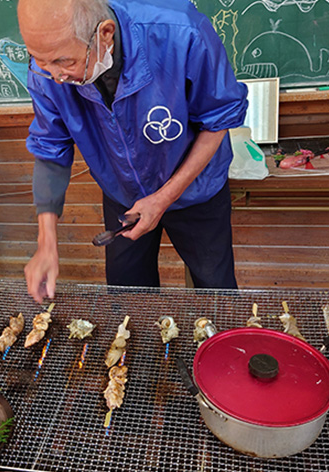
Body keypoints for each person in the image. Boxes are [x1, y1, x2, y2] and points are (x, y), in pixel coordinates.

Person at [18, 0, 248, 302]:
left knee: (215, 287)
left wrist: (163, 198)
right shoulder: (48, 69)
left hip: (195, 189)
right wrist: (46, 243)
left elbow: (217, 122)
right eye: (39, 60)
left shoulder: (183, 32)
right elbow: (50, 147)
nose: (55, 75)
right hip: (123, 194)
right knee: (128, 296)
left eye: (65, 62)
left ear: (106, 34)